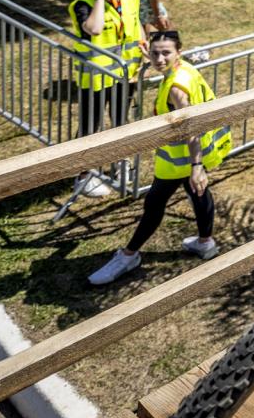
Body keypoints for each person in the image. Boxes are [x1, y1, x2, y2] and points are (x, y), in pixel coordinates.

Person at [88, 29, 231, 285]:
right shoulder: (184, 69)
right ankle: (205, 242)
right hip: (196, 153)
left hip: (180, 160)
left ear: (179, 52)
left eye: (166, 53)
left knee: (154, 204)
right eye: (155, 53)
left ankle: (129, 255)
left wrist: (196, 165)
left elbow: (190, 125)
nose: (159, 59)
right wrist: (153, 59)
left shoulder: (176, 89)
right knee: (198, 192)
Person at [67, 0, 147, 197]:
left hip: (126, 73)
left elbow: (136, 23)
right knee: (90, 126)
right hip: (96, 77)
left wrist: (144, 47)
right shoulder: (83, 4)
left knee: (121, 120)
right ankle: (83, 175)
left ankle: (121, 163)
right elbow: (94, 29)